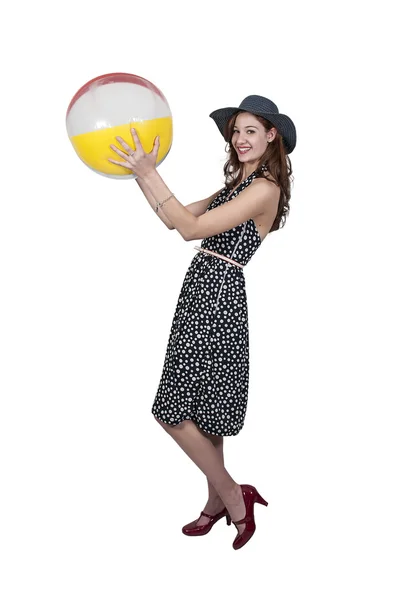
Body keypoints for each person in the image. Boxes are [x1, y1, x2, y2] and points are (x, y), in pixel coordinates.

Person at [108, 95, 296, 550]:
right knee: (207, 414)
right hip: (201, 290)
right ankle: (216, 502)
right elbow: (177, 219)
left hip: (219, 297)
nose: (240, 139)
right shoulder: (236, 184)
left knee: (170, 412)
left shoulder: (265, 189)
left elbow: (191, 231)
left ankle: (234, 495)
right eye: (236, 131)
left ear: (271, 135)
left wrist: (152, 173)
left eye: (250, 130)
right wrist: (141, 174)